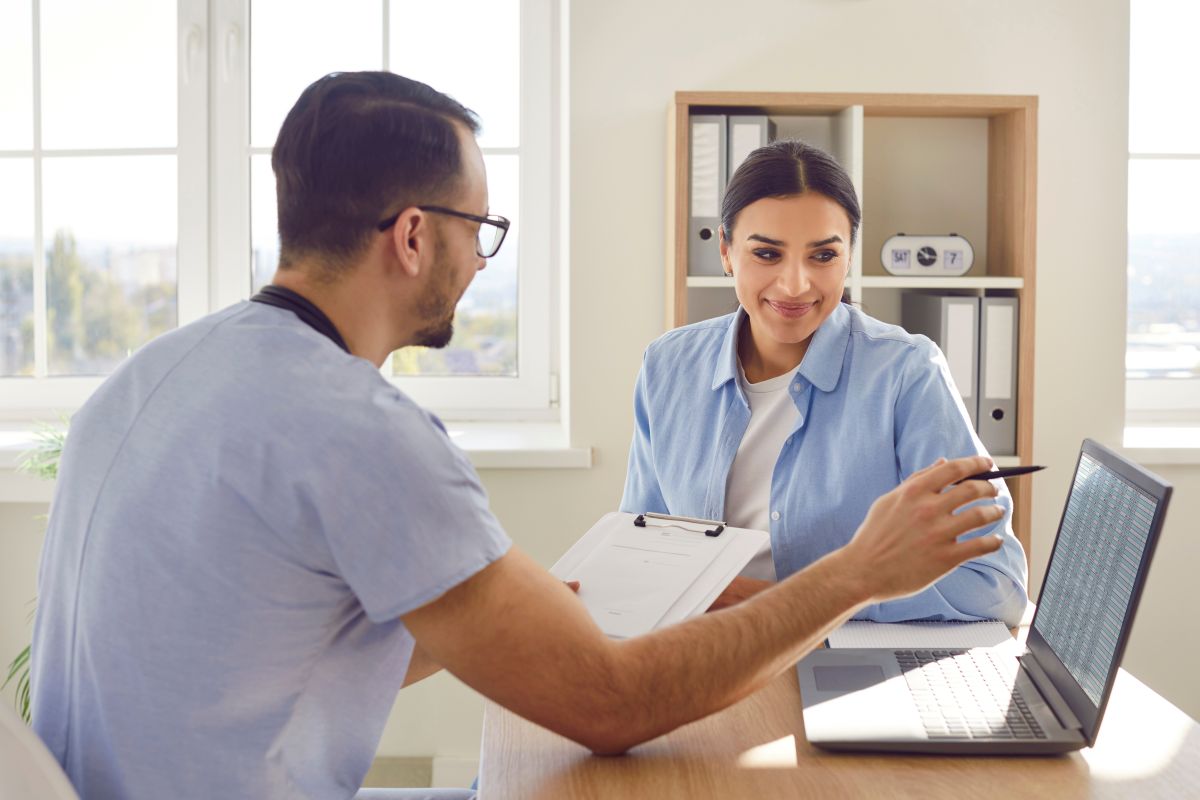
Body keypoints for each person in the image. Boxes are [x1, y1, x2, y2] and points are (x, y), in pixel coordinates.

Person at [30, 72, 1006, 800]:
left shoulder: (148, 376)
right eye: (479, 227)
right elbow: (612, 707)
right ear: (415, 235)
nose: (482, 259)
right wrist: (853, 573)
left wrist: (522, 613)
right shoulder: (359, 430)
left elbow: (274, 648)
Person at [621, 139, 1028, 625]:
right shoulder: (667, 366)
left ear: (849, 256)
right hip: (702, 646)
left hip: (835, 650)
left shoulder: (906, 373)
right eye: (767, 253)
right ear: (726, 251)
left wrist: (797, 601)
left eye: (823, 256)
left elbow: (996, 583)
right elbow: (637, 549)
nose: (795, 285)